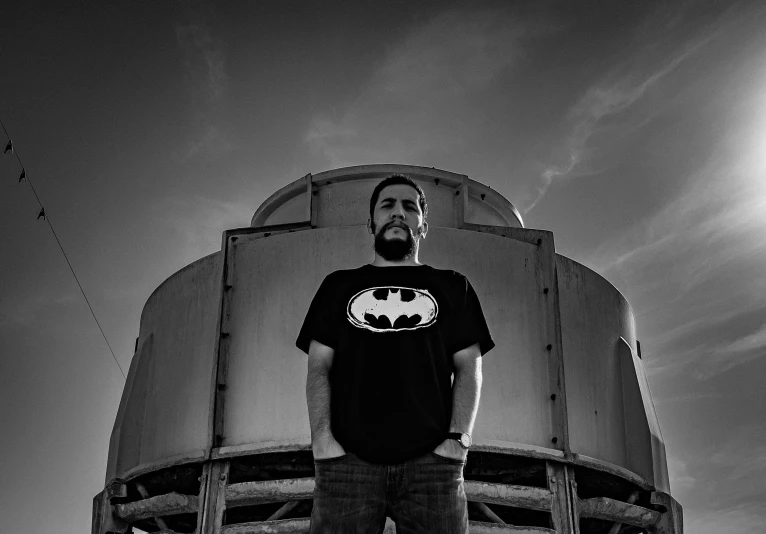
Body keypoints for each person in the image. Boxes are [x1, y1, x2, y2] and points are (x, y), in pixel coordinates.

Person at [296, 174, 495, 533]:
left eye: (410, 206)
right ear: (371, 222)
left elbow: (470, 369)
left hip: (433, 467)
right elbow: (318, 369)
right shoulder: (337, 286)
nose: (398, 213)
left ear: (423, 224)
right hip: (347, 465)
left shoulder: (453, 286)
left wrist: (457, 444)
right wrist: (322, 443)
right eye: (387, 205)